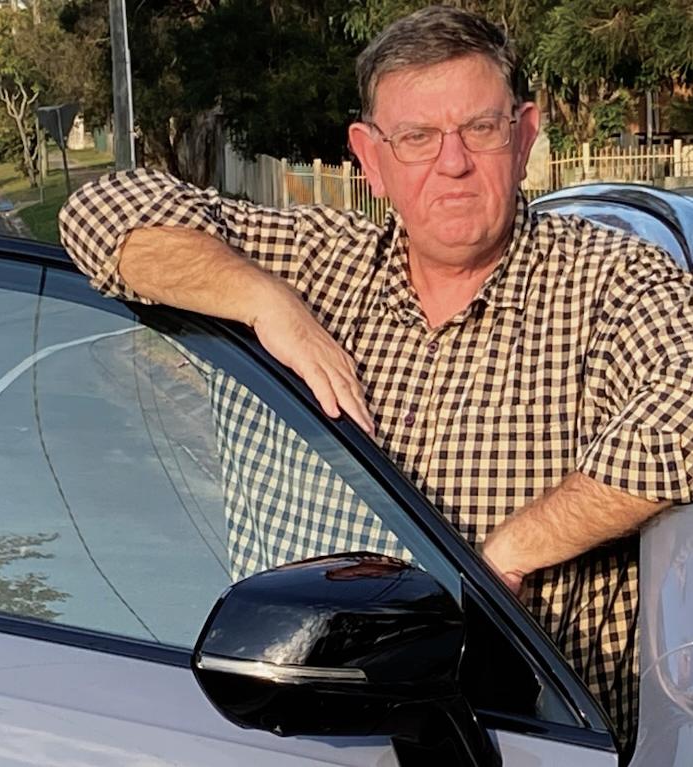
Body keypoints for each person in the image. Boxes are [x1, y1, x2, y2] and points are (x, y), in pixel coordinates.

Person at [59, 5, 693, 745]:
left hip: (517, 738)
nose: (452, 164)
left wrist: (503, 556)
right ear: (369, 157)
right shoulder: (315, 264)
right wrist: (267, 303)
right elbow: (99, 212)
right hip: (286, 730)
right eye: (417, 137)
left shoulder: (608, 281)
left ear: (524, 136)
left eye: (480, 129)